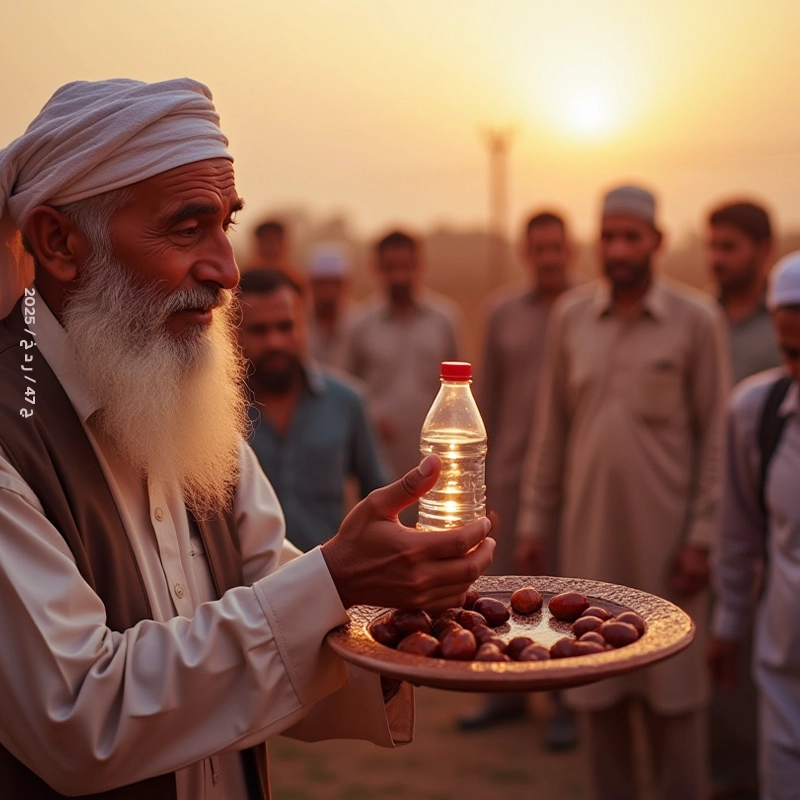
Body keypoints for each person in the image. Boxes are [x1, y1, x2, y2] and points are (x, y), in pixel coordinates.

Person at [0, 78, 495, 799]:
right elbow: (79, 715)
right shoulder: (12, 438)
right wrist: (336, 580)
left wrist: (409, 612)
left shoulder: (179, 399)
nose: (226, 272)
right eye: (185, 227)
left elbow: (276, 601)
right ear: (60, 243)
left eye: (225, 224)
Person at [516, 184, 730, 800]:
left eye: (631, 236)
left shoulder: (696, 321)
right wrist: (534, 522)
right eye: (609, 235)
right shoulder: (572, 318)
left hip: (672, 558)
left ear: (657, 242)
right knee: (598, 699)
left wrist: (703, 537)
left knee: (675, 714)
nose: (618, 248)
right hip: (591, 549)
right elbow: (550, 432)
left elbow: (715, 438)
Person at [458, 211, 575, 743]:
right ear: (526, 254)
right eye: (539, 249)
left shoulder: (587, 312)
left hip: (571, 480)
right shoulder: (502, 312)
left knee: (570, 590)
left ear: (570, 250)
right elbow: (487, 403)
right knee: (505, 593)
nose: (549, 257)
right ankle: (505, 692)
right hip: (507, 474)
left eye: (557, 247)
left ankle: (568, 700)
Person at [708, 251, 800, 800]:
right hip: (783, 666)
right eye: (792, 351)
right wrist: (730, 622)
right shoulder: (755, 413)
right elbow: (739, 533)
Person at [238, 267, 386, 552]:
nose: (275, 342)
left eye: (285, 326)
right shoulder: (215, 417)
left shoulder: (347, 401)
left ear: (305, 325)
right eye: (259, 330)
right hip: (242, 590)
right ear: (235, 332)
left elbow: (379, 496)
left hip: (330, 584)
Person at [345, 230, 462, 525]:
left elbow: (461, 388)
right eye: (391, 268)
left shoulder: (445, 320)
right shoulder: (360, 325)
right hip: (380, 458)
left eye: (406, 266)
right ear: (377, 269)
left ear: (419, 266)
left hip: (435, 458)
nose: (399, 276)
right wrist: (370, 420)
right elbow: (347, 389)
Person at [708, 200, 781, 385]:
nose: (716, 259)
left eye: (728, 247)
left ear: (764, 249)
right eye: (712, 247)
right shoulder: (699, 316)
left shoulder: (786, 319)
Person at [306, 241, 353, 371]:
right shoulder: (298, 324)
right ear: (311, 283)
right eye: (322, 283)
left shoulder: (357, 325)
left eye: (334, 283)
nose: (328, 290)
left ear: (345, 285)